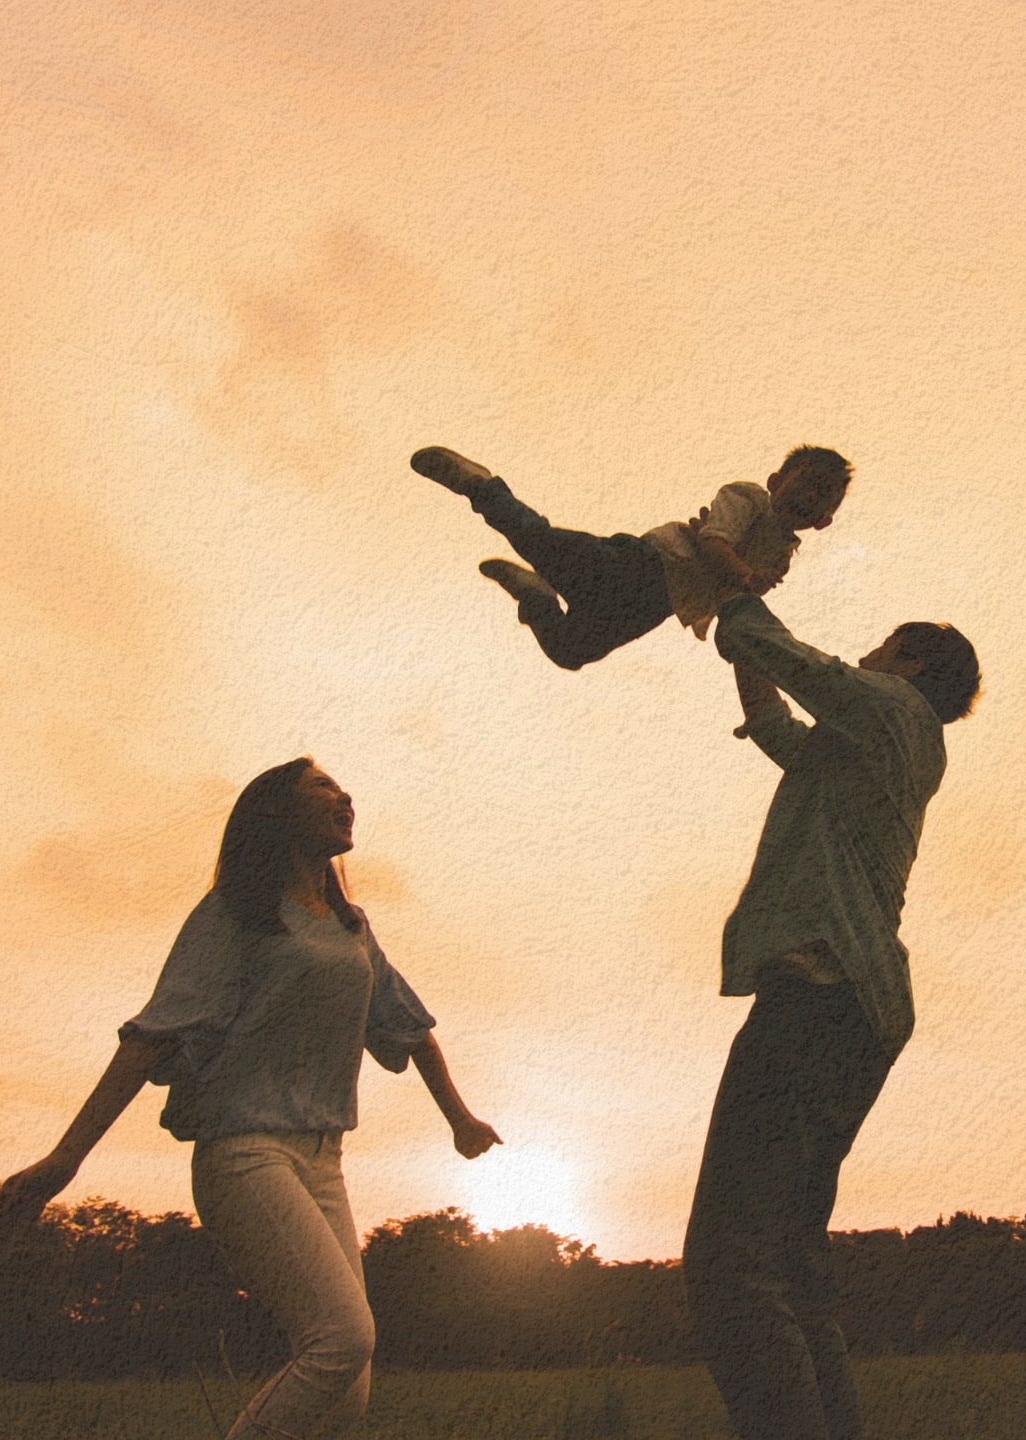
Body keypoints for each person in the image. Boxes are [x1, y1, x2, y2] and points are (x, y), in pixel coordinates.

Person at [0, 758, 500, 1440]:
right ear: (277, 815)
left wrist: (460, 1120)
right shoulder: (236, 916)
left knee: (346, 1396)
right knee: (340, 1340)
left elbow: (407, 1026)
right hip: (245, 1156)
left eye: (341, 785)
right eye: (322, 786)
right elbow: (152, 1036)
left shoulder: (350, 927)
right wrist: (66, 1157)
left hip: (325, 1161)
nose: (343, 794)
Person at [684, 592, 980, 1440]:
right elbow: (781, 727)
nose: (867, 655)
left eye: (882, 645)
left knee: (729, 1265)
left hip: (821, 992)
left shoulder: (891, 706)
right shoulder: (875, 742)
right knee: (787, 1262)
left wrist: (734, 583)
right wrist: (745, 655)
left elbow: (796, 661)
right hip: (857, 1007)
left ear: (912, 663)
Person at [409, 443, 853, 670]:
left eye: (825, 496)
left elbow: (737, 599)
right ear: (777, 480)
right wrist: (745, 575)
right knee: (539, 541)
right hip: (643, 566)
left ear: (825, 520)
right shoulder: (749, 497)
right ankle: (481, 487)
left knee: (571, 651)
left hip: (657, 606)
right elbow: (715, 542)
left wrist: (744, 624)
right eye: (808, 481)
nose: (812, 495)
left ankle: (536, 597)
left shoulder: (785, 553)